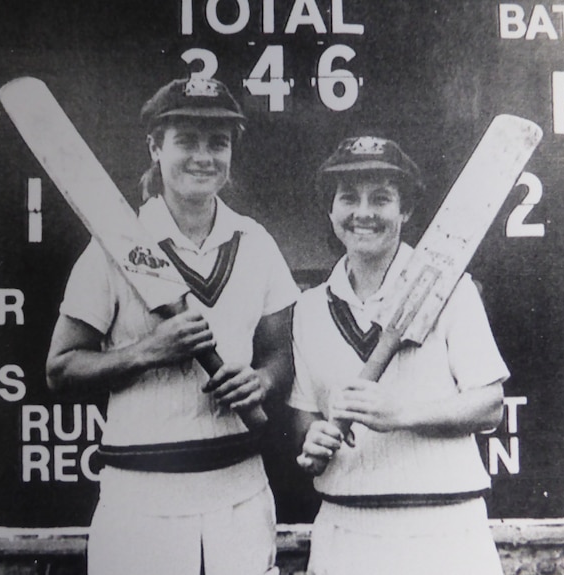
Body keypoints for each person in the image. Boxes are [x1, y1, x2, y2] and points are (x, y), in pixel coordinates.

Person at [46, 77, 299, 575]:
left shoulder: (256, 242)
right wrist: (150, 351)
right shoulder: (113, 246)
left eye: (218, 143)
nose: (203, 157)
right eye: (186, 141)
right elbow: (60, 368)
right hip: (142, 496)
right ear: (155, 148)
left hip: (240, 494)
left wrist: (262, 380)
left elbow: (282, 355)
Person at [288, 136, 509, 575]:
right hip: (344, 529)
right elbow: (306, 415)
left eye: (382, 198)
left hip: (444, 527)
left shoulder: (453, 290)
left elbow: (489, 406)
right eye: (348, 198)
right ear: (330, 211)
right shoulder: (310, 308)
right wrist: (310, 440)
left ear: (405, 210)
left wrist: (400, 414)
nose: (363, 212)